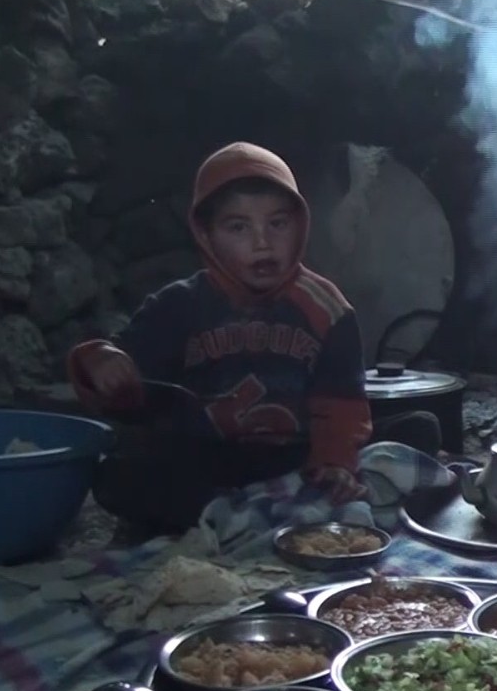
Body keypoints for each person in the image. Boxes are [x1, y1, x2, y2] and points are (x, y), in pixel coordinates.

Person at [68, 142, 381, 530]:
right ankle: (229, 513)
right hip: (204, 461)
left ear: (301, 225)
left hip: (293, 457)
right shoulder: (179, 305)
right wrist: (102, 363)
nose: (262, 242)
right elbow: (129, 381)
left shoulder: (326, 309)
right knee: (121, 477)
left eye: (277, 224)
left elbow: (340, 401)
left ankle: (241, 515)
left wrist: (335, 462)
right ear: (206, 235)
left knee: (393, 448)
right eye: (238, 227)